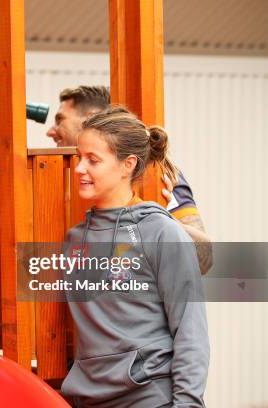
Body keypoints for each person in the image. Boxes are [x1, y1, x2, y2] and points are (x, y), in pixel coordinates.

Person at [0, 85, 212, 274]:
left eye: (60, 121)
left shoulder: (161, 176)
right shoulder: (58, 175)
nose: (50, 131)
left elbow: (204, 257)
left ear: (90, 121)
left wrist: (160, 217)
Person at [60, 106, 209, 407]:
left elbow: (190, 330)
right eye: (79, 157)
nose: (78, 168)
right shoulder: (75, 239)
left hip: (150, 398)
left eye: (93, 160)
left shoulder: (160, 232)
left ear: (127, 165)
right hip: (88, 399)